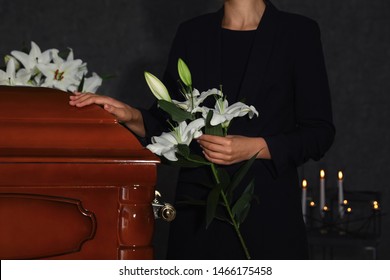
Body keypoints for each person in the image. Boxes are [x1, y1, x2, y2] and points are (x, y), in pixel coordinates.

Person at [69, 0, 335, 259]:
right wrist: (131, 115)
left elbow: (319, 134)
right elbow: (167, 126)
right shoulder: (192, 33)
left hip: (269, 219)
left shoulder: (298, 32)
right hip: (198, 221)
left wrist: (254, 148)